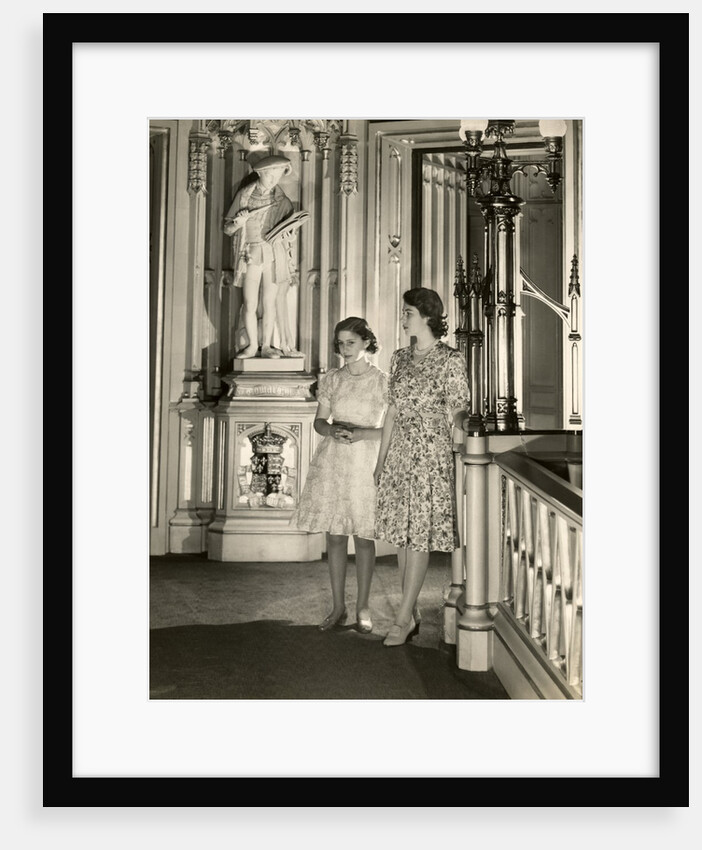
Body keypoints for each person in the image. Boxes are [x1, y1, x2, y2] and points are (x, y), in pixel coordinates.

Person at [374, 288, 470, 647]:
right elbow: (391, 413)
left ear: (428, 316)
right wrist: (381, 461)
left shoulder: (450, 359)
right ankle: (410, 613)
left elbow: (458, 406)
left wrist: (466, 422)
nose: (403, 317)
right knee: (402, 535)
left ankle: (401, 619)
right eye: (403, 312)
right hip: (400, 452)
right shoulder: (398, 358)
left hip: (431, 453)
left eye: (408, 312)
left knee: (418, 537)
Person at [290, 317, 389, 633]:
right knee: (334, 535)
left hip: (365, 459)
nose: (344, 349)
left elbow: (391, 429)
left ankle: (362, 607)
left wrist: (363, 436)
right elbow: (319, 421)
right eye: (340, 343)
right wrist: (331, 429)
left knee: (363, 537)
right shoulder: (332, 379)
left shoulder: (383, 381)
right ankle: (337, 607)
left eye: (350, 342)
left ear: (365, 343)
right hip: (334, 458)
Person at [223, 154, 306, 359]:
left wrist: (290, 233)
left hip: (274, 255)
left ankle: (267, 345)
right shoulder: (244, 196)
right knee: (250, 302)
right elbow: (227, 229)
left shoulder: (282, 200)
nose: (273, 180)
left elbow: (289, 233)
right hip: (250, 253)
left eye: (277, 176)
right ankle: (252, 346)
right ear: (260, 173)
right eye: (270, 176)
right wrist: (238, 223)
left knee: (270, 301)